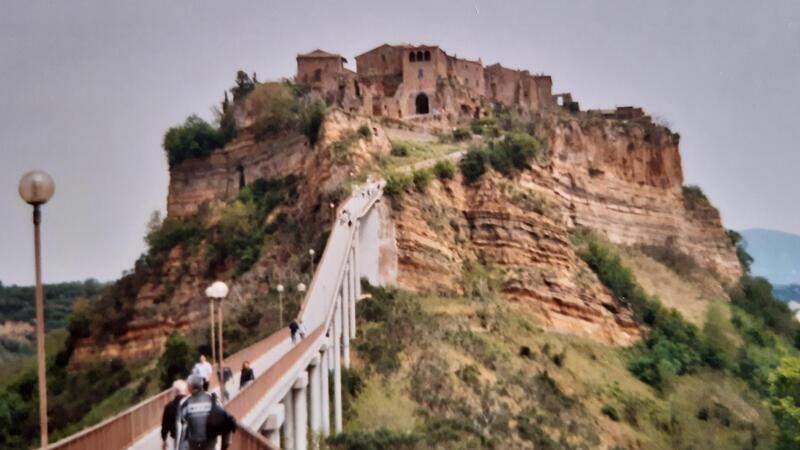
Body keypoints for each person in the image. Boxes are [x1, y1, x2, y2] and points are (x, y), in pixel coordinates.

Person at [175, 375, 236, 450]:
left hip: (194, 442)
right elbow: (224, 418)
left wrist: (177, 448)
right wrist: (225, 444)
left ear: (190, 386)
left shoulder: (184, 402)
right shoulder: (213, 399)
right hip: (211, 440)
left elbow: (180, 428)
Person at [161, 379, 189, 450]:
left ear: (174, 391)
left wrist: (164, 440)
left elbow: (165, 426)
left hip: (177, 439)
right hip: (193, 438)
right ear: (185, 389)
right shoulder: (191, 403)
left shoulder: (169, 407)